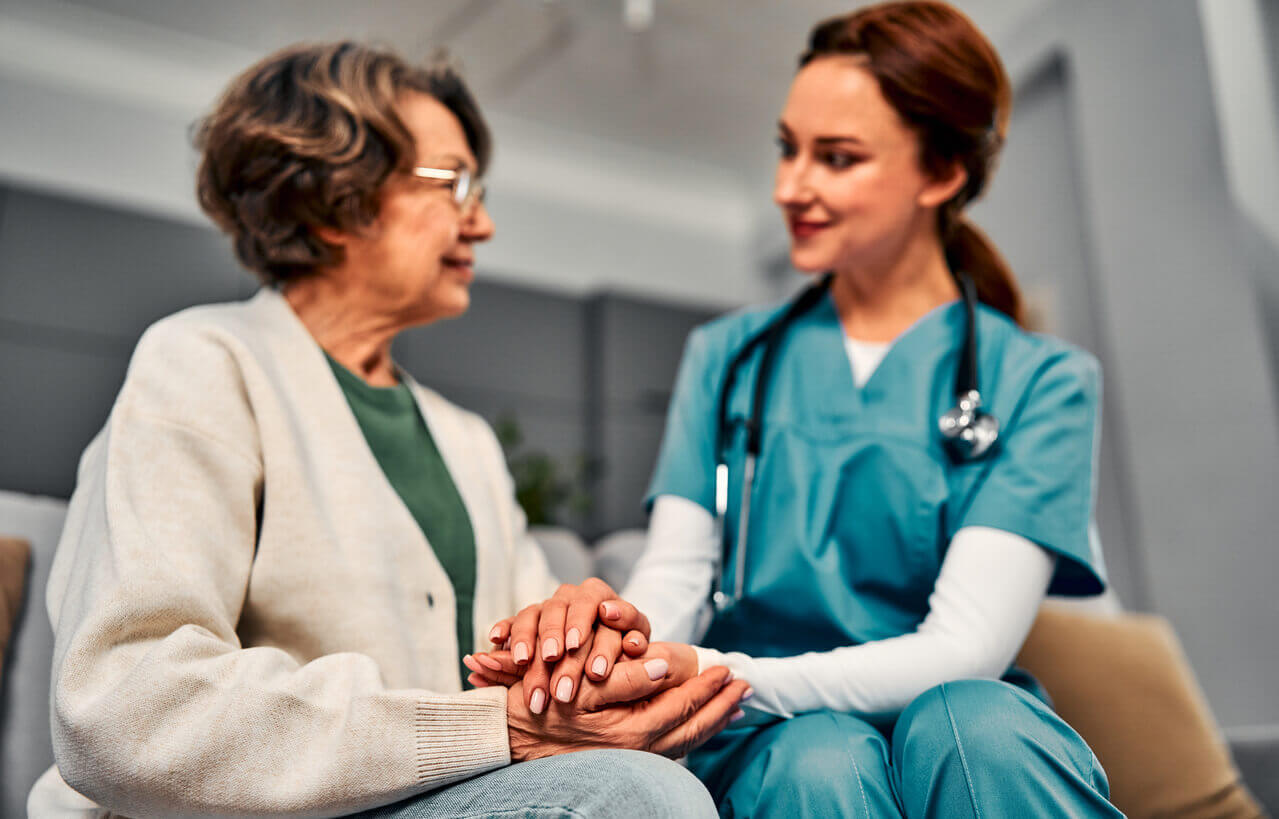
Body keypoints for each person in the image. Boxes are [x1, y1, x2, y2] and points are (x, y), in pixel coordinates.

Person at [27, 41, 749, 818]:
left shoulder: (465, 439)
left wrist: (583, 649)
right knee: (636, 797)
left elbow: (535, 689)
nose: (484, 224)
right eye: (455, 184)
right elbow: (127, 707)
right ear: (333, 199)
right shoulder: (203, 362)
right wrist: (498, 725)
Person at [471, 3, 1123, 815]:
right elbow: (675, 572)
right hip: (765, 730)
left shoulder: (1040, 379)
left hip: (930, 698)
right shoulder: (728, 356)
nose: (788, 187)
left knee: (979, 725)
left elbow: (966, 650)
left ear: (942, 173)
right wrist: (619, 653)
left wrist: (714, 669)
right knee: (816, 758)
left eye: (835, 157)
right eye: (786, 148)